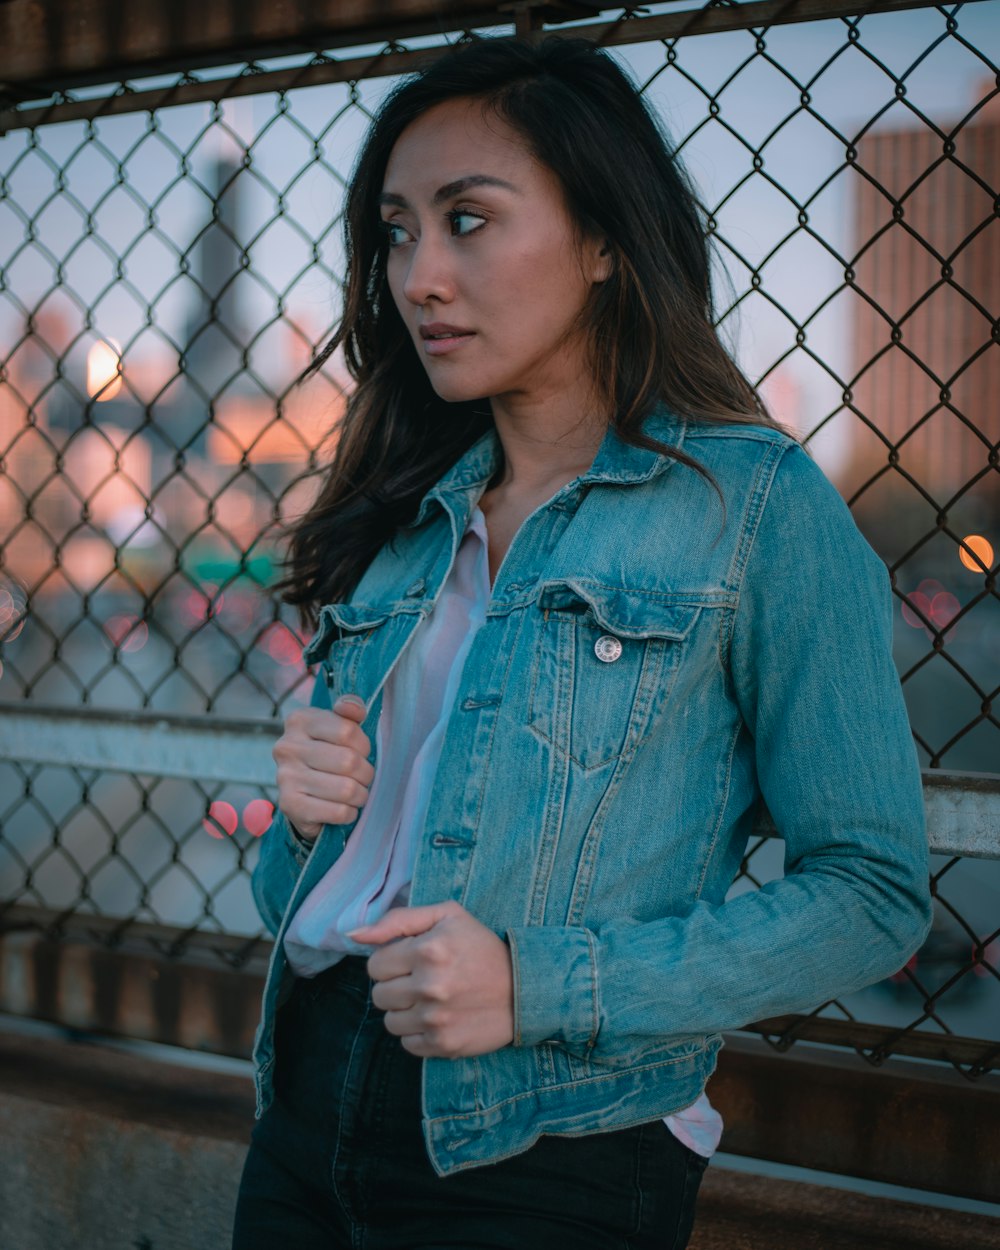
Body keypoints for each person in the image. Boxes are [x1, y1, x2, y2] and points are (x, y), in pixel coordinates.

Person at [231, 34, 932, 1250]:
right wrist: (302, 819)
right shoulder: (401, 509)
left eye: (466, 220)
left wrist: (538, 983)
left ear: (605, 240)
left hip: (549, 1147)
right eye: (396, 231)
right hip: (303, 1093)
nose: (419, 275)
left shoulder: (754, 509)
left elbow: (871, 893)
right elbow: (298, 898)